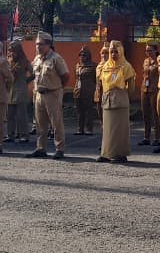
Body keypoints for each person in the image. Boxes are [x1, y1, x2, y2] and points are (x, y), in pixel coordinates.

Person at [28, 31, 70, 160]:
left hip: (52, 93)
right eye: (36, 44)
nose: (38, 47)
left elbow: (65, 76)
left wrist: (57, 88)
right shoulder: (37, 59)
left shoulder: (56, 58)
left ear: (48, 45)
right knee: (40, 123)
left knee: (56, 122)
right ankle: (41, 148)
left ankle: (59, 148)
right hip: (39, 94)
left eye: (41, 44)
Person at [97, 39, 136, 162]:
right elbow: (102, 82)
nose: (113, 54)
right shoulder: (106, 66)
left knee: (119, 129)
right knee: (107, 128)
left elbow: (131, 86)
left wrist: (124, 96)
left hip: (120, 100)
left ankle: (120, 154)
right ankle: (107, 153)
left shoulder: (126, 66)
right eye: (111, 52)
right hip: (107, 99)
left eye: (116, 52)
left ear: (121, 52)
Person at [6, 40, 33, 143]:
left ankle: (24, 135)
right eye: (9, 51)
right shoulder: (8, 61)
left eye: (13, 51)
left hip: (21, 90)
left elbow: (33, 73)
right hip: (10, 90)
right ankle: (10, 134)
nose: (11, 53)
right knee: (10, 114)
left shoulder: (24, 61)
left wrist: (26, 81)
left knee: (21, 114)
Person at [140, 42, 160, 146]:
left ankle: (157, 137)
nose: (148, 52)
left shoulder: (159, 61)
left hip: (155, 89)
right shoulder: (146, 61)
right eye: (146, 50)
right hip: (145, 89)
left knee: (155, 114)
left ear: (155, 51)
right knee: (145, 114)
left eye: (150, 50)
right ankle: (146, 137)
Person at [73, 46, 97, 136]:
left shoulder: (94, 66)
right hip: (78, 91)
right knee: (79, 111)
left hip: (88, 91)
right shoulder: (77, 65)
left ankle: (89, 129)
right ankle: (80, 129)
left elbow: (96, 79)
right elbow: (76, 78)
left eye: (84, 55)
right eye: (80, 55)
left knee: (89, 111)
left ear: (88, 56)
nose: (82, 57)